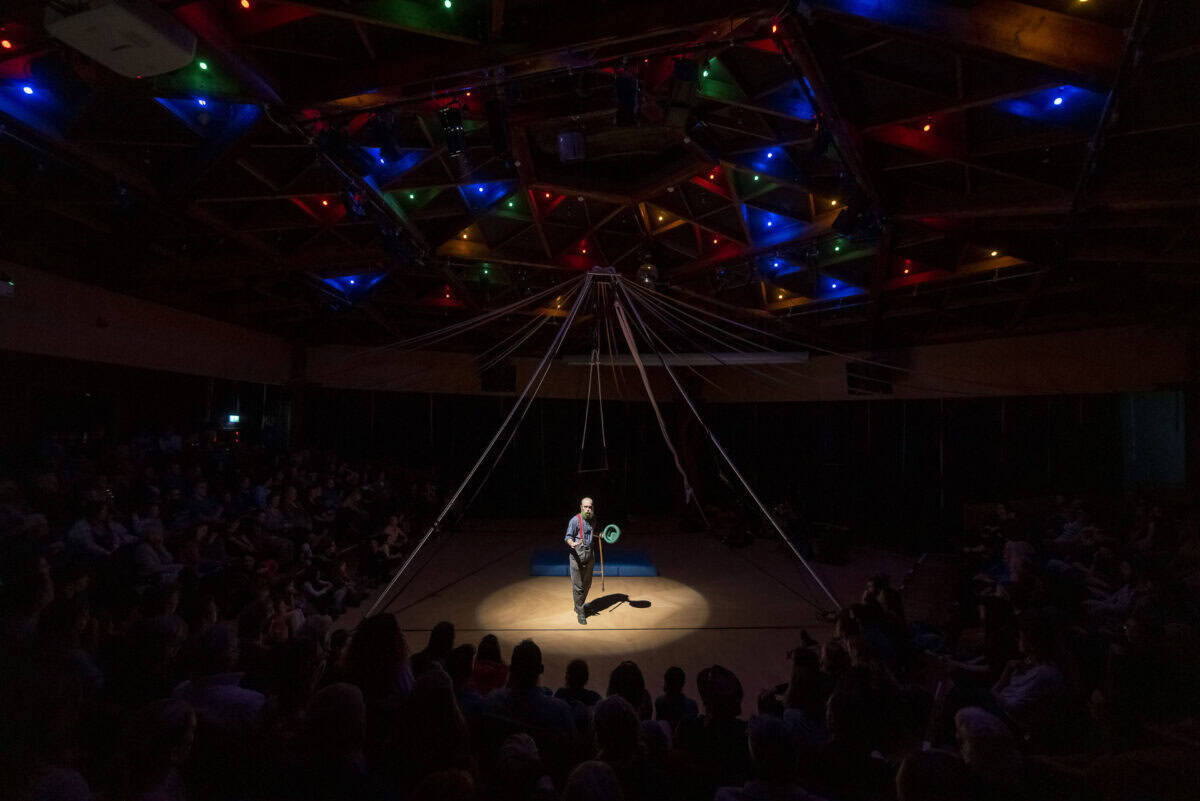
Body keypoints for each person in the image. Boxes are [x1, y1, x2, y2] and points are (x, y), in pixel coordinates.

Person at [565, 497, 596, 625]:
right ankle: (580, 611)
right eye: (586, 507)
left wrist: (600, 535)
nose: (588, 509)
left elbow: (590, 533)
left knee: (587, 584)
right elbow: (568, 536)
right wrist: (572, 543)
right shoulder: (574, 521)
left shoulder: (593, 519)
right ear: (581, 507)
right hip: (577, 554)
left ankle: (579, 605)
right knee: (578, 586)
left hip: (590, 554)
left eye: (590, 507)